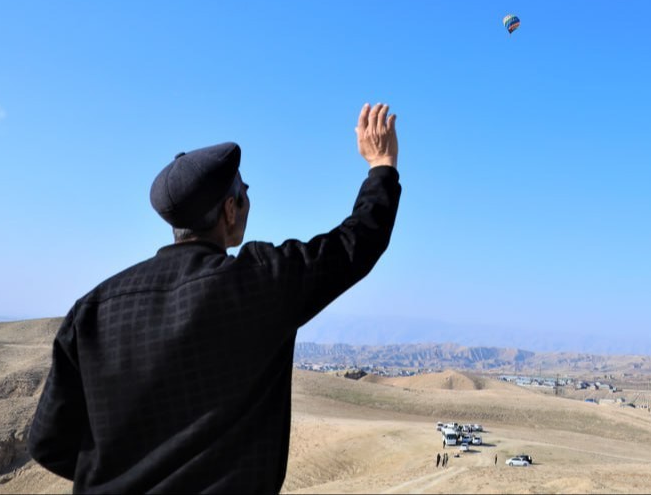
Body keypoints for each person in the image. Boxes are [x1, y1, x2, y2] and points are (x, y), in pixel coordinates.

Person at [28, 103, 403, 493]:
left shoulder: (92, 311)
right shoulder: (258, 283)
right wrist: (381, 165)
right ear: (230, 211)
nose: (247, 200)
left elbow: (48, 443)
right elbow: (356, 243)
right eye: (244, 192)